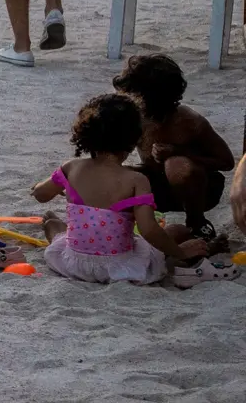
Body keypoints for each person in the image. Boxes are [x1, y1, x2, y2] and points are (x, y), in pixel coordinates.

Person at [30, 93, 209, 282]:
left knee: (53, 226)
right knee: (177, 230)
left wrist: (42, 187)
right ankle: (183, 251)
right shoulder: (136, 180)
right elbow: (148, 230)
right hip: (120, 266)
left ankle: (59, 231)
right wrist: (179, 251)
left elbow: (41, 195)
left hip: (75, 264)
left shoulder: (72, 168)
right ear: (133, 141)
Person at [114, 53, 234, 242]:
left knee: (177, 165)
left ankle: (197, 223)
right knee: (111, 173)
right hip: (154, 186)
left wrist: (180, 152)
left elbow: (226, 162)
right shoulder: (135, 119)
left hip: (200, 190)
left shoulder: (188, 121)